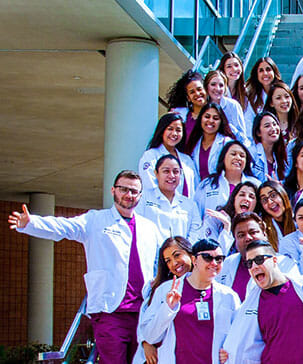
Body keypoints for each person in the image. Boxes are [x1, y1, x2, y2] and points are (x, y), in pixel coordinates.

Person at [8, 170, 160, 364]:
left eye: (134, 191)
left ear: (140, 196)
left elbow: (160, 262)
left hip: (143, 311)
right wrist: (31, 223)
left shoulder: (149, 227)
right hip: (110, 311)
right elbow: (64, 227)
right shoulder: (95, 220)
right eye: (123, 189)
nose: (128, 195)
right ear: (113, 190)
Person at [221, 240, 303, 363]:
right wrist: (228, 353)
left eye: (259, 260)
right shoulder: (254, 302)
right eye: (249, 264)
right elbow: (244, 342)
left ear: (274, 260)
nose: (254, 266)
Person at [139, 239, 241, 364]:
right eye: (207, 257)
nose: (214, 263)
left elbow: (238, 335)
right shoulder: (167, 290)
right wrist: (168, 309)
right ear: (194, 260)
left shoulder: (229, 296)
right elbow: (150, 336)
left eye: (219, 259)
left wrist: (229, 351)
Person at [133, 236, 194, 364]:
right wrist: (145, 342)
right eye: (168, 261)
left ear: (191, 253)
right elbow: (144, 321)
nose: (174, 263)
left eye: (177, 255)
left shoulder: (207, 285)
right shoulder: (161, 288)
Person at [216, 212, 298, 301]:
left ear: (265, 234)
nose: (248, 238)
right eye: (241, 235)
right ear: (235, 241)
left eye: (253, 232)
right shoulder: (228, 263)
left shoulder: (285, 264)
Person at [135, 154, 202, 243]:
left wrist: (183, 251)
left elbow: (196, 232)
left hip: (181, 254)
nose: (171, 176)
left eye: (176, 171)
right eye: (166, 171)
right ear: (156, 173)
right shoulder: (143, 198)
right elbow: (136, 226)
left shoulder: (190, 205)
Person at [193, 140, 260, 220]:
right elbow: (196, 214)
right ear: (223, 158)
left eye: (242, 156)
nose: (238, 158)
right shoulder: (207, 184)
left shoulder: (256, 184)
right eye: (233, 154)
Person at [139, 113, 199, 198]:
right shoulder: (150, 156)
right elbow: (150, 186)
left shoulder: (187, 160)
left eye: (178, 130)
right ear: (162, 131)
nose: (174, 133)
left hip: (187, 209)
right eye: (170, 129)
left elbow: (195, 187)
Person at [199, 181, 258, 254]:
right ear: (234, 198)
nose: (246, 199)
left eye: (251, 197)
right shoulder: (215, 220)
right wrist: (227, 227)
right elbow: (214, 255)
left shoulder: (258, 227)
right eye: (242, 195)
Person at [183, 103, 237, 180]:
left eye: (215, 118)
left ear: (221, 122)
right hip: (198, 190)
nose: (210, 121)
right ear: (200, 118)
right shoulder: (194, 143)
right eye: (207, 117)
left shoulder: (227, 143)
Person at [204, 70, 249, 145]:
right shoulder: (203, 106)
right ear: (206, 86)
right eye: (213, 84)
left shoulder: (233, 105)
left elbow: (242, 137)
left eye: (221, 85)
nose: (217, 88)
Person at [166, 70, 206, 139]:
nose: (197, 93)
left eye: (199, 89)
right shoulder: (180, 115)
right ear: (188, 98)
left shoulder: (214, 115)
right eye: (192, 92)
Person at [250, 111, 288, 181]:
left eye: (275, 124)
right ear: (258, 132)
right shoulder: (252, 154)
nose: (273, 129)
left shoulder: (282, 155)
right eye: (267, 126)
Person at [244, 56, 282, 127]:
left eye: (268, 69)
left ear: (274, 72)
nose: (265, 73)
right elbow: (248, 122)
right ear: (257, 75)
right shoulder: (251, 97)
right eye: (261, 70)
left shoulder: (283, 93)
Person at [255, 180, 296, 245]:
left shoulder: (298, 219)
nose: (270, 202)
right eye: (264, 200)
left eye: (273, 195)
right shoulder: (262, 229)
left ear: (282, 195)